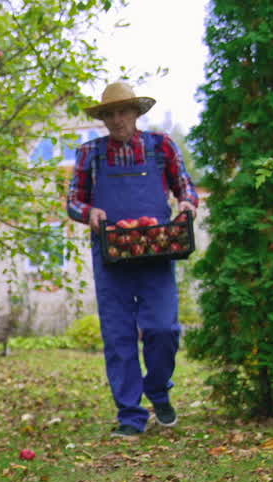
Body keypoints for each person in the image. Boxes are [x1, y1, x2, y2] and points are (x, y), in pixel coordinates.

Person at [67, 81, 199, 438]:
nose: (116, 119)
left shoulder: (161, 147)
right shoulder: (90, 154)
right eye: (108, 113)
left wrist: (187, 203)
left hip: (156, 251)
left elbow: (184, 186)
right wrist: (89, 212)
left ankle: (157, 390)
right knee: (118, 337)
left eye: (122, 111)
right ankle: (130, 415)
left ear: (137, 113)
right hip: (111, 256)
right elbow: (73, 201)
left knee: (164, 329)